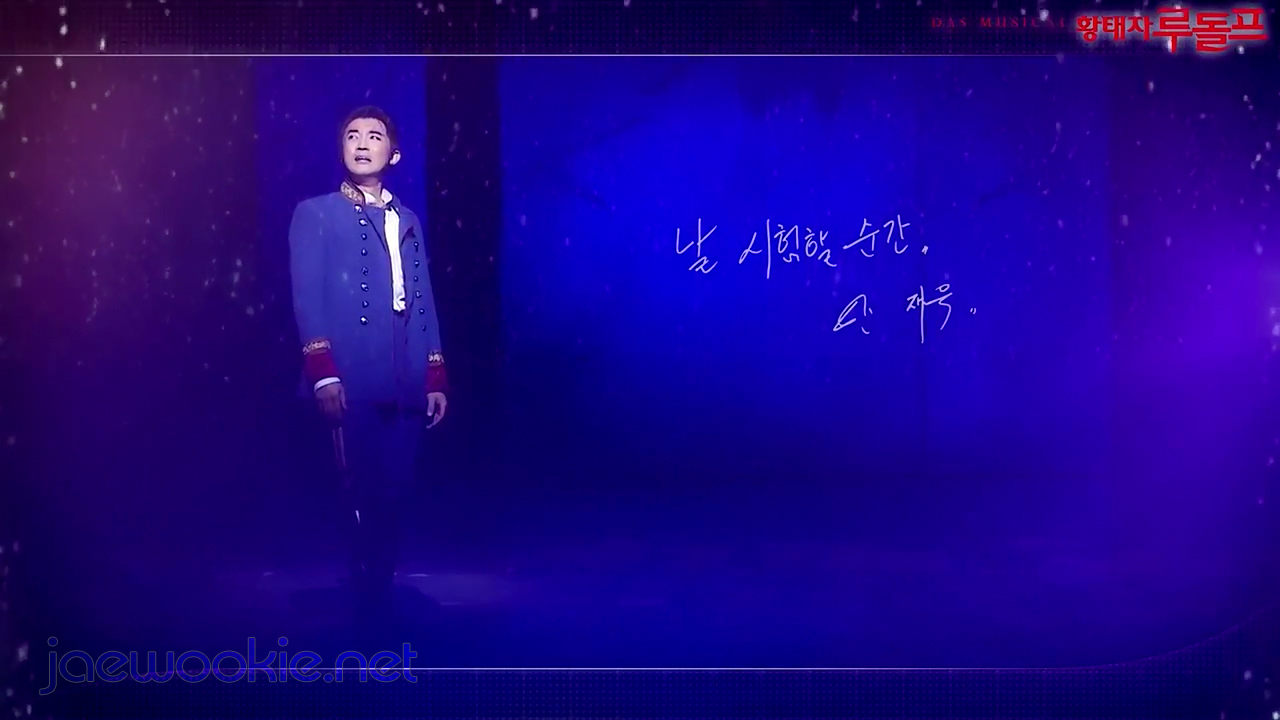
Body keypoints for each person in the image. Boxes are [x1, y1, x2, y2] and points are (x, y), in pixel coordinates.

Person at [287, 105, 448, 606]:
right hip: (351, 371)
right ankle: (364, 582)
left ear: (393, 153)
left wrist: (434, 374)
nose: (361, 143)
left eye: (374, 136)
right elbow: (307, 297)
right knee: (356, 483)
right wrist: (323, 373)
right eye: (352, 135)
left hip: (404, 372)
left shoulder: (408, 219)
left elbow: (421, 297)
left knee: (397, 485)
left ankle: (381, 577)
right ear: (341, 149)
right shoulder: (316, 213)